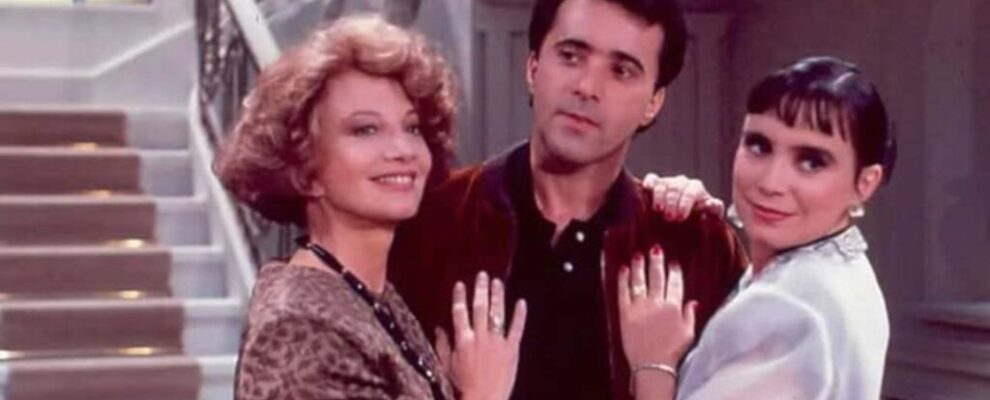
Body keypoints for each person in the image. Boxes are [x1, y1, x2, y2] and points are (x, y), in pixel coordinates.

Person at [388, 0, 747, 399]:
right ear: (533, 68)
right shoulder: (432, 223)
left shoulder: (695, 244)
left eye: (621, 70)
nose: (587, 87)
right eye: (571, 56)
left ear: (653, 103)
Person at [215, 15, 526, 400]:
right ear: (303, 170)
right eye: (365, 129)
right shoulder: (300, 327)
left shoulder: (370, 294)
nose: (403, 150)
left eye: (412, 127)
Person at [618, 56, 895, 399]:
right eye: (759, 146)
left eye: (811, 162)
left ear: (865, 182)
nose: (770, 183)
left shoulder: (788, 306)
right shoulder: (840, 271)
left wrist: (653, 363)